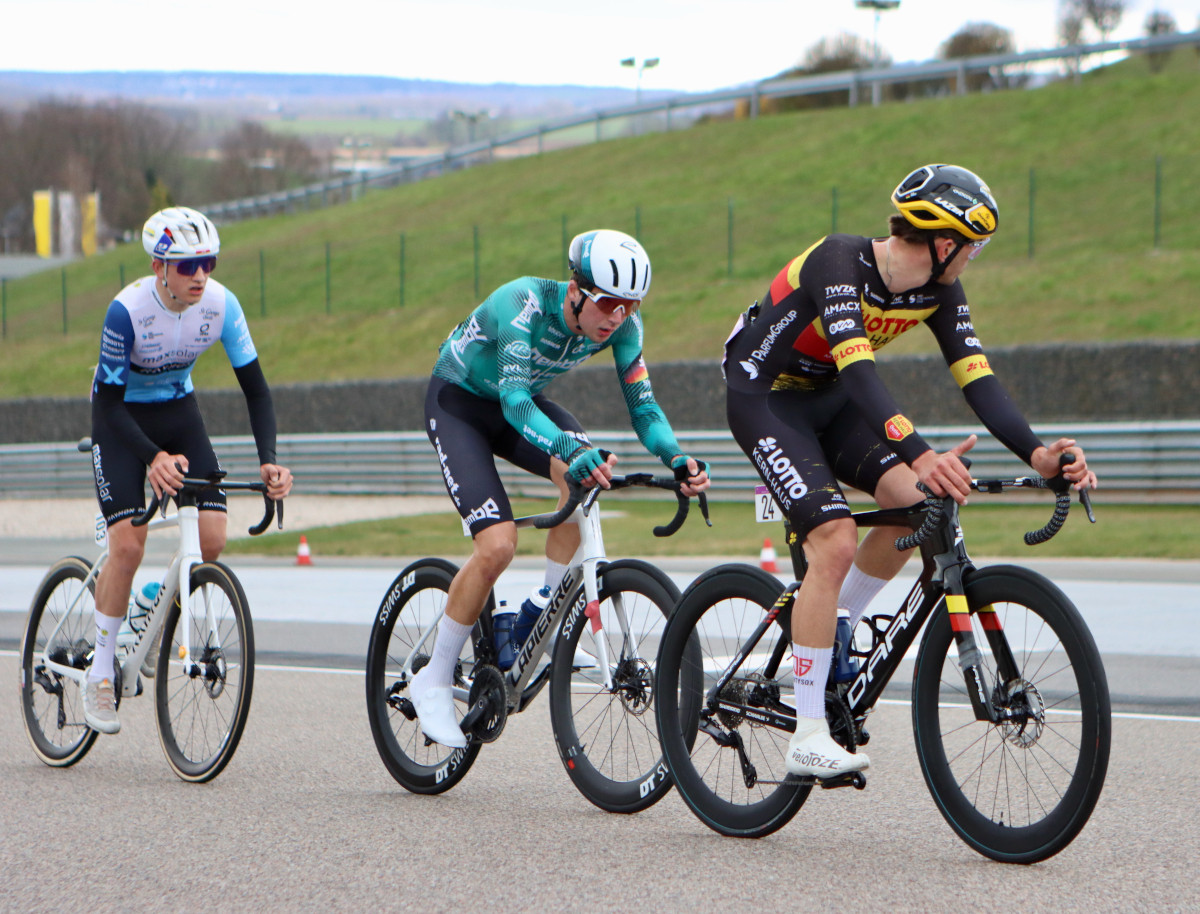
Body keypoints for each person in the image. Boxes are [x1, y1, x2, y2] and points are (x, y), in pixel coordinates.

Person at [722, 164, 1097, 778]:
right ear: (944, 241)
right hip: (765, 398)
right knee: (836, 537)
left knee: (922, 505)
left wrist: (1036, 454)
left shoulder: (941, 291)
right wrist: (922, 453)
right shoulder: (838, 263)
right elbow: (862, 372)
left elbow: (979, 379)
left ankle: (832, 619)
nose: (974, 258)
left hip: (831, 397)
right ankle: (808, 733)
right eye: (973, 246)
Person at [415, 228, 710, 748]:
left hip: (520, 402)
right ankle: (433, 679)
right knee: (498, 544)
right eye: (607, 303)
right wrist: (571, 450)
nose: (616, 317)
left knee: (585, 481)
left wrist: (677, 456)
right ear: (575, 289)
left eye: (629, 306)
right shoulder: (522, 302)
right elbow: (513, 402)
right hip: (461, 403)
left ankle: (541, 610)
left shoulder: (625, 327)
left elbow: (643, 408)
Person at [84, 206, 293, 734]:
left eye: (209, 262)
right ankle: (101, 671)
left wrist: (269, 458)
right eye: (188, 265)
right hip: (122, 418)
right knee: (128, 546)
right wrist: (151, 456)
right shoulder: (126, 311)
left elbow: (258, 391)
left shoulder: (221, 305)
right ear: (159, 266)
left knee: (213, 539)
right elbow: (107, 406)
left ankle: (153, 603)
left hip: (178, 410)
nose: (201, 275)